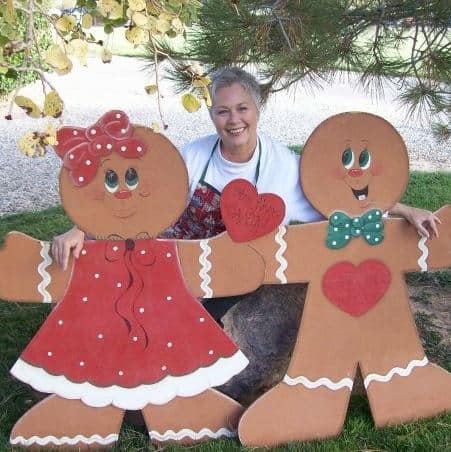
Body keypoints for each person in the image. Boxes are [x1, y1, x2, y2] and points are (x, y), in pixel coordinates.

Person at [51, 67, 441, 403]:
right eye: (222, 111)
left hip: (245, 282)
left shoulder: (285, 166)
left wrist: (405, 210)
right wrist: (80, 228)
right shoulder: (192, 157)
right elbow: (137, 201)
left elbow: (342, 201)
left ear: (257, 110)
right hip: (183, 270)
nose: (233, 120)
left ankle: (178, 394)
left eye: (242, 108)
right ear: (211, 115)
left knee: (188, 340)